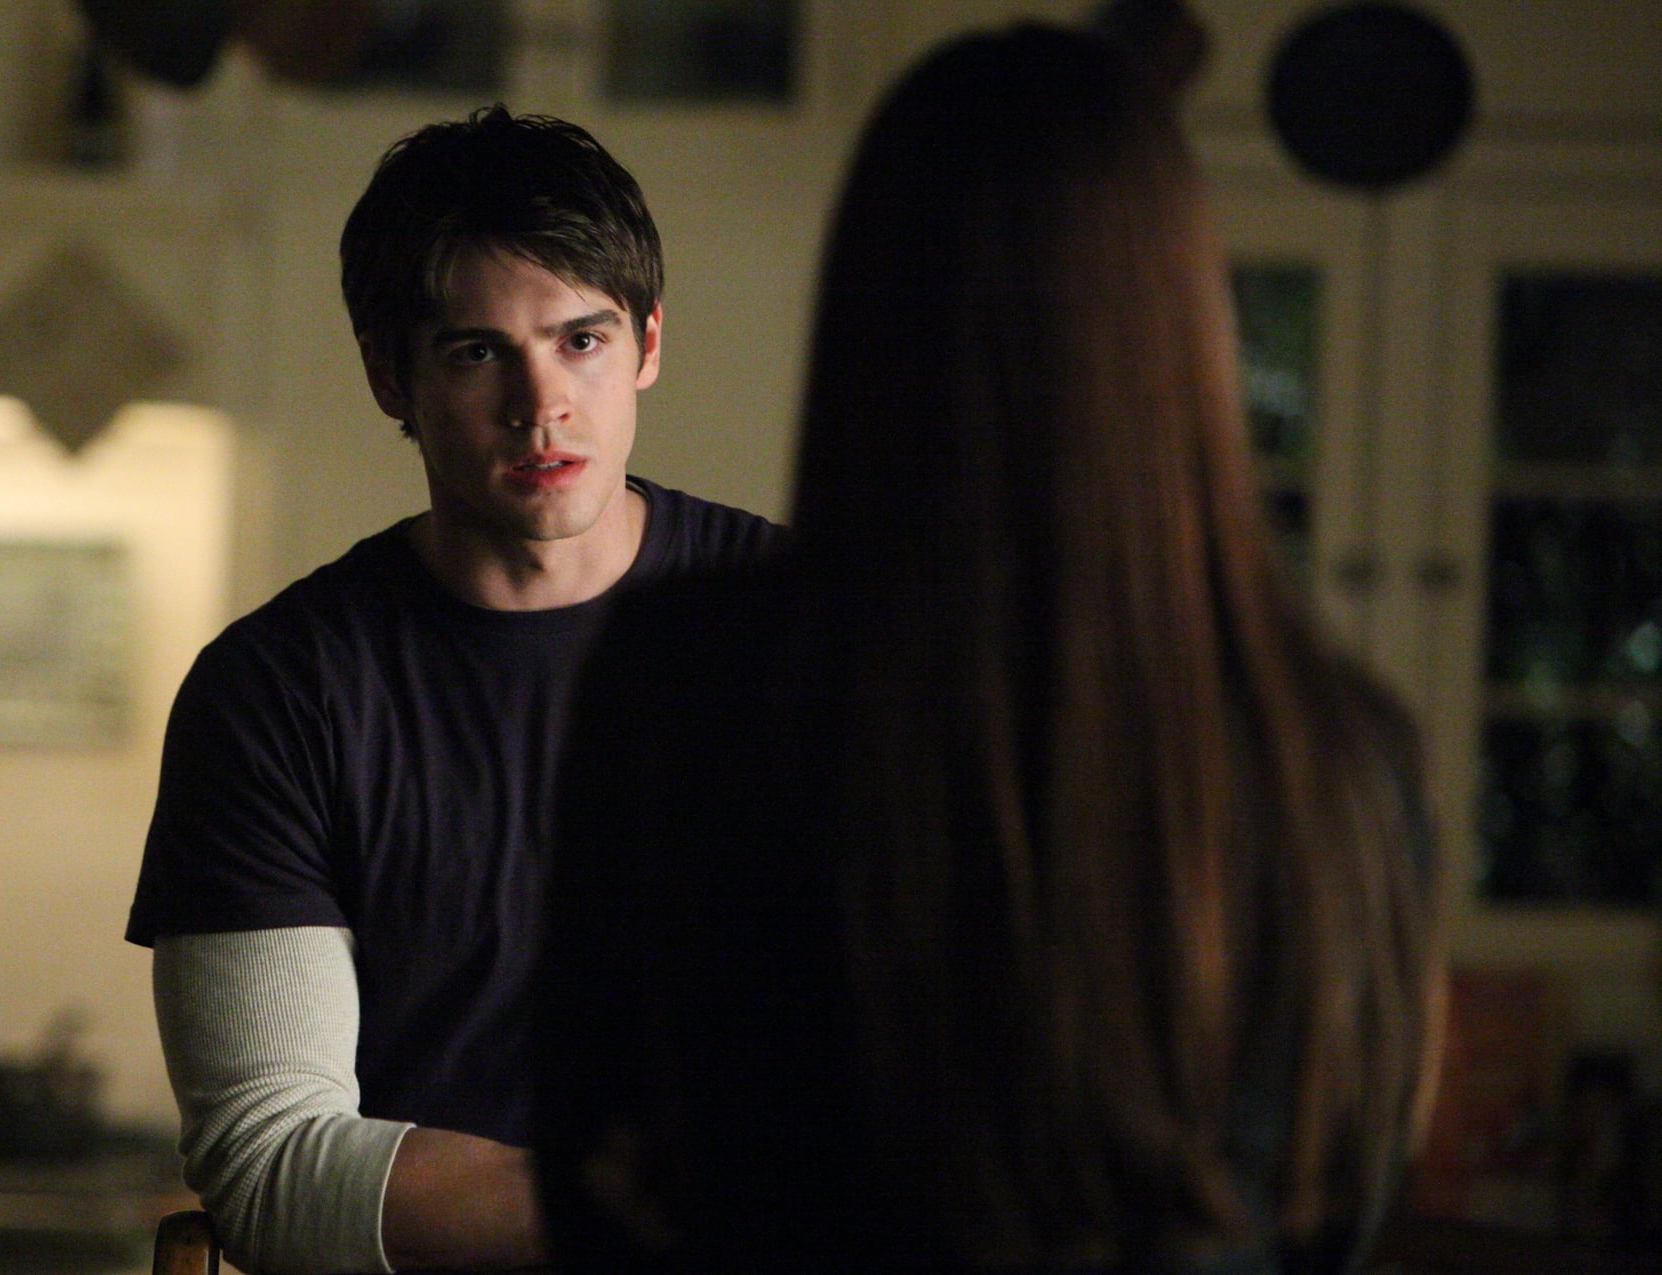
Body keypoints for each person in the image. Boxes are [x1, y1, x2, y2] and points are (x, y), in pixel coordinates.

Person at [534, 23, 1444, 1275]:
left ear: (868, 313)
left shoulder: (686, 682)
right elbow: (1335, 1205)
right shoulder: (1334, 756)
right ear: (1183, 317)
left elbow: (587, 1162)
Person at [127, 105, 783, 1274]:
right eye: (478, 352)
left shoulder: (807, 627)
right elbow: (272, 1164)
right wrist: (681, 1220)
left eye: (579, 340)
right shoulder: (276, 694)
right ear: (390, 375)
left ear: (646, 343)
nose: (541, 404)